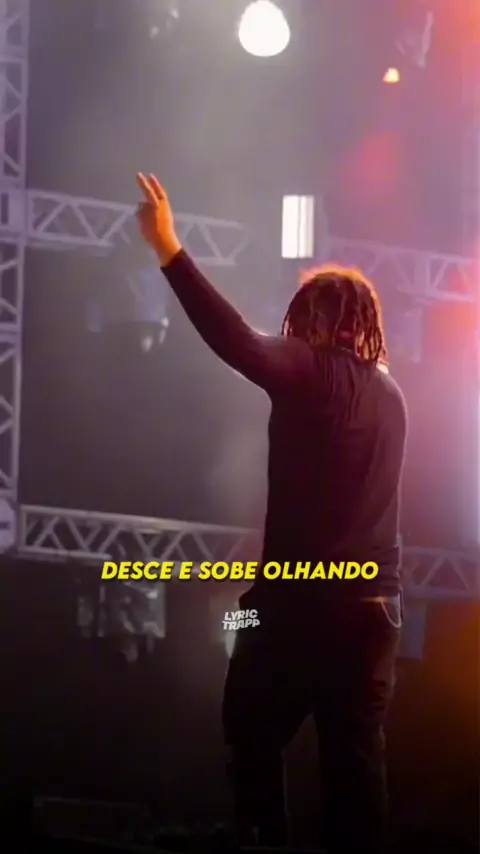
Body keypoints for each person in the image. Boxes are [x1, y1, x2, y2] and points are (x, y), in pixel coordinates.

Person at [136, 173, 408, 853]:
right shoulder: (392, 396)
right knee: (356, 765)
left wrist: (170, 250)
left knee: (246, 710)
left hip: (295, 605)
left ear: (318, 322)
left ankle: (257, 836)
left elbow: (237, 340)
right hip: (374, 614)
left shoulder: (315, 371)